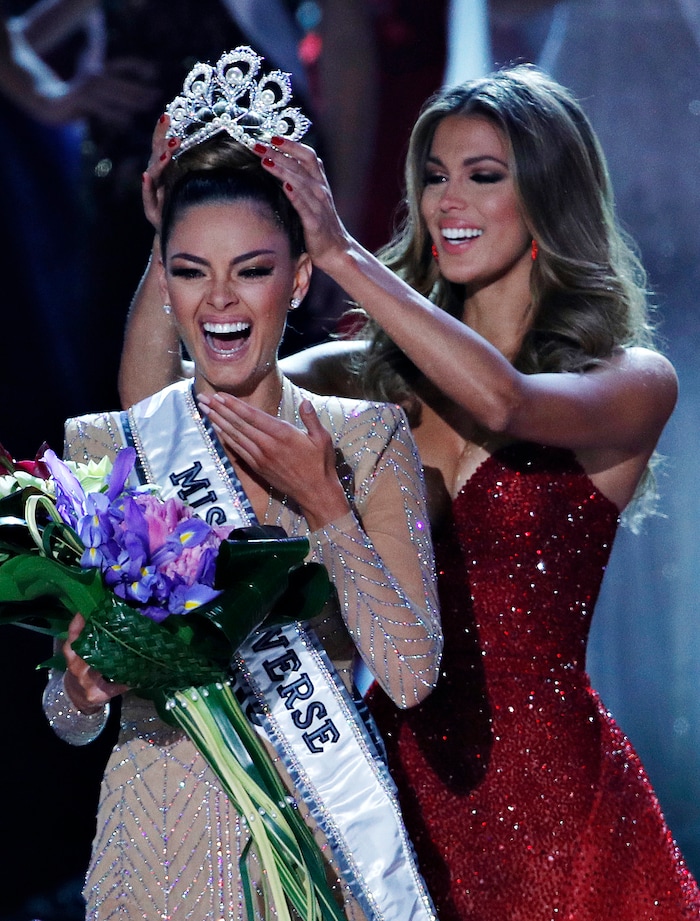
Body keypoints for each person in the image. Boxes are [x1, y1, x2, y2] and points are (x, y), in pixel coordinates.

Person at [121, 61, 700, 919]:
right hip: (393, 792)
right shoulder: (370, 378)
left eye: (482, 176)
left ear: (548, 194)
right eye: (432, 177)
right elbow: (158, 408)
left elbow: (507, 399)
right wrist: (174, 237)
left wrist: (341, 254)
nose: (446, 202)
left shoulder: (629, 380)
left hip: (560, 806)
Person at [43, 50, 441, 921]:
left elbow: (411, 676)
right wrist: (78, 689)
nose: (219, 299)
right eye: (191, 270)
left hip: (311, 857)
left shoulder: (366, 439)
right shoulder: (115, 446)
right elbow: (66, 716)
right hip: (151, 862)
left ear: (297, 278)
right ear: (166, 278)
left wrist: (329, 508)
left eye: (251, 269)